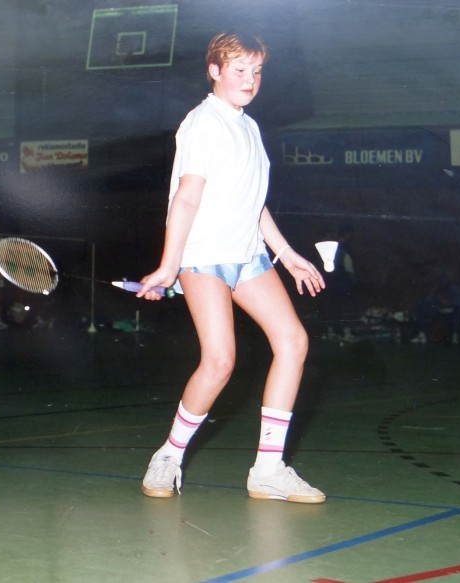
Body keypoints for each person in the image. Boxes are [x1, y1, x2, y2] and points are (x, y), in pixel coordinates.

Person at [135, 32, 326, 503]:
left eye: (257, 70)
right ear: (215, 71)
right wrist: (169, 266)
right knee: (220, 361)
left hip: (248, 256)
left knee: (293, 341)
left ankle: (268, 469)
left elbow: (255, 206)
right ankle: (168, 457)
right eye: (239, 69)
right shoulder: (203, 123)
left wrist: (288, 255)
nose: (250, 79)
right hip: (203, 256)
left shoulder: (249, 127)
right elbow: (187, 196)